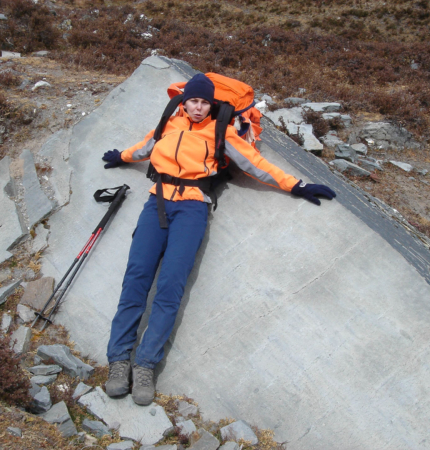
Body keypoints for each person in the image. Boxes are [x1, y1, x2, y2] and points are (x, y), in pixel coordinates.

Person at [101, 73, 336, 405]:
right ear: (184, 102)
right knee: (136, 277)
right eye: (193, 101)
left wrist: (296, 185)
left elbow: (256, 164)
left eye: (204, 103)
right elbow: (146, 146)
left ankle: (144, 366)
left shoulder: (221, 131)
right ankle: (118, 361)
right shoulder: (170, 122)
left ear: (212, 105)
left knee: (170, 285)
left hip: (193, 208)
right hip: (156, 203)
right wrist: (122, 157)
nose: (198, 108)